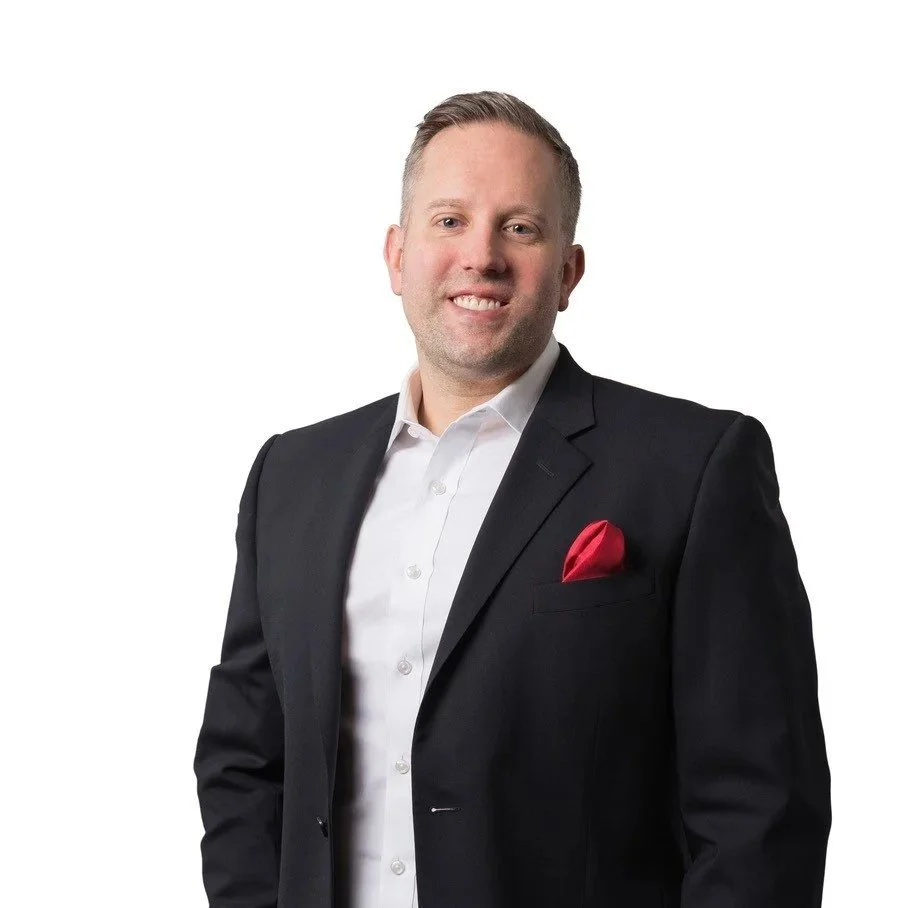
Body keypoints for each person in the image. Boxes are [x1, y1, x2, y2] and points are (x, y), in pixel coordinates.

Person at [193, 90, 831, 908]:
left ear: (568, 271)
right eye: (449, 220)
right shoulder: (291, 475)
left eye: (520, 228)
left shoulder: (694, 467)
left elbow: (760, 811)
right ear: (397, 256)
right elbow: (243, 759)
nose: (481, 256)